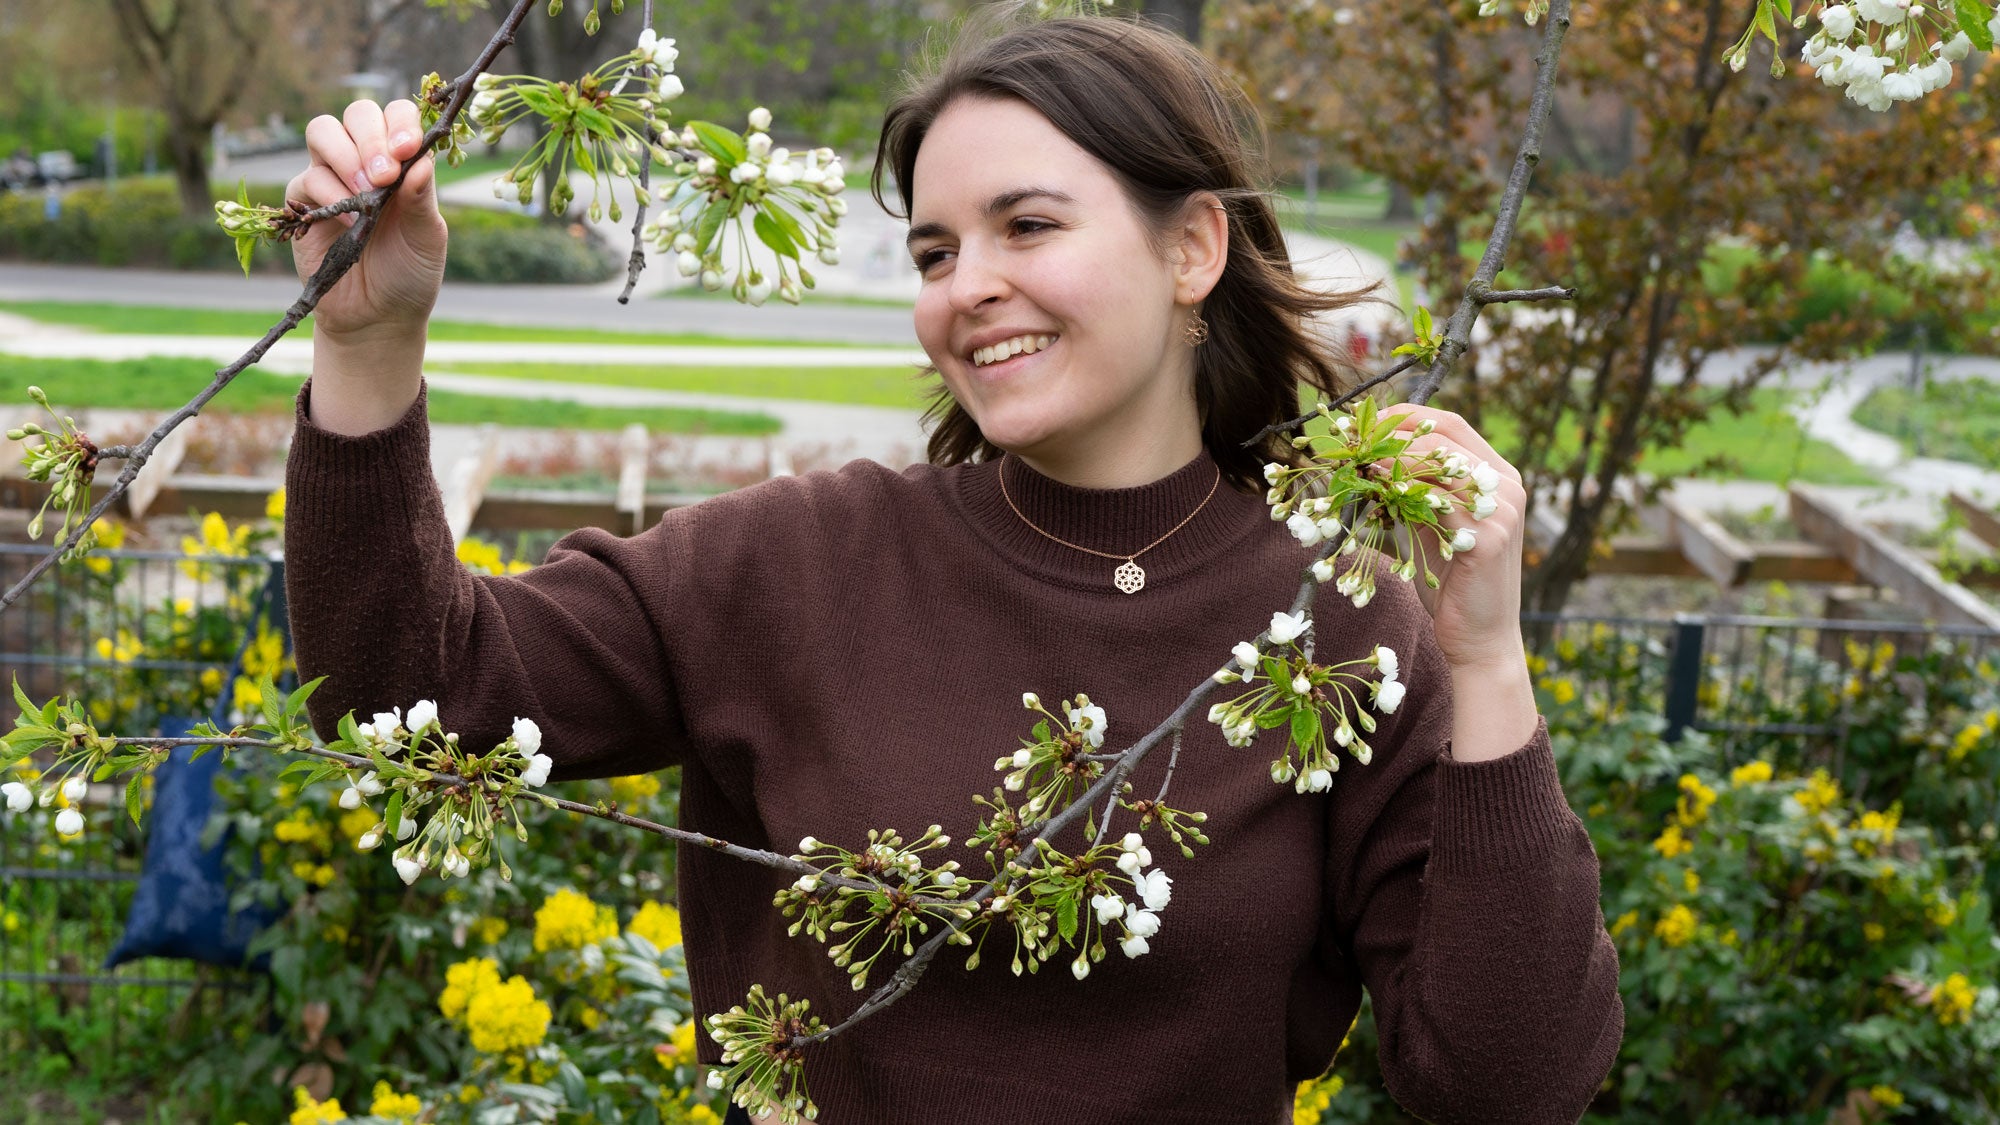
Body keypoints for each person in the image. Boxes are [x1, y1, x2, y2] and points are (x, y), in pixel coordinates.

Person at [282, 11, 1621, 1123]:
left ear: (1192, 248)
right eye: (935, 250)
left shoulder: (1334, 623)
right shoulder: (800, 562)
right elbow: (410, 696)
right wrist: (366, 346)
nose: (963, 285)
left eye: (1026, 227)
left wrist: (1487, 663)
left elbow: (1507, 1085)